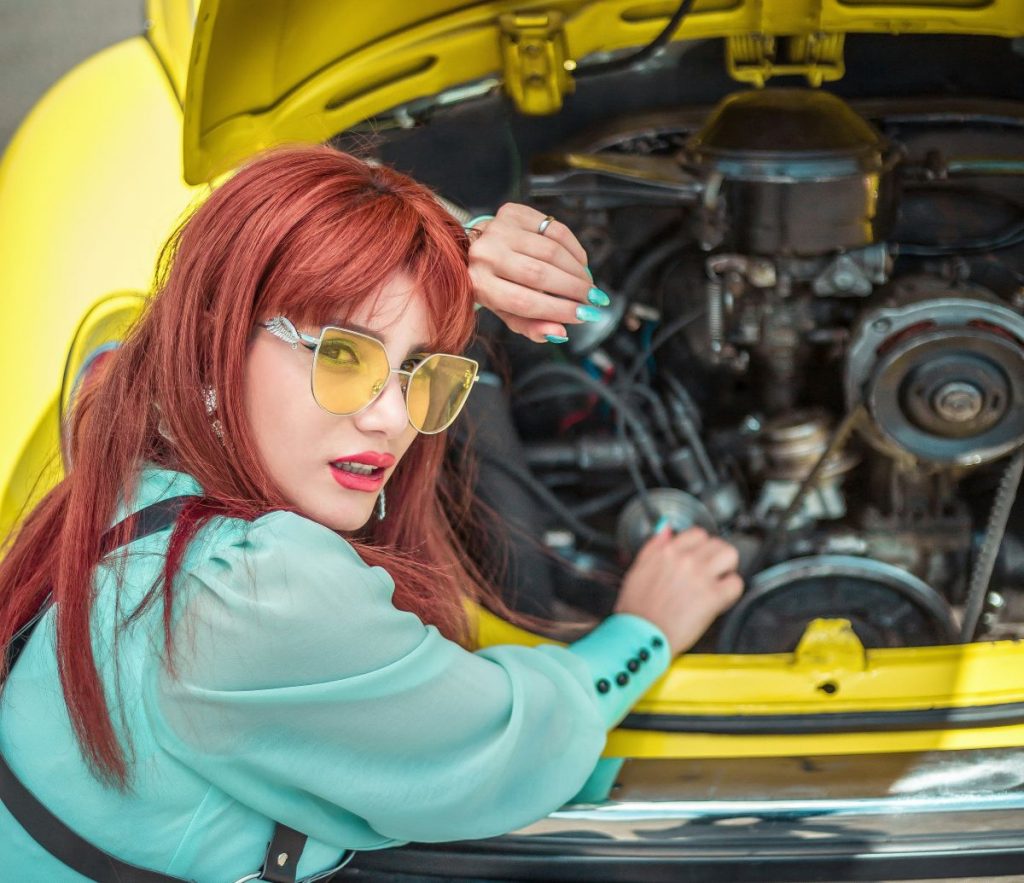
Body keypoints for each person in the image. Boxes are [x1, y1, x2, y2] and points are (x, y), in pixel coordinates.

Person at [0, 145, 742, 881]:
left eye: (422, 370)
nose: (393, 418)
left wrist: (454, 251)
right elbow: (507, 746)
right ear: (213, 342)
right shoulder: (253, 592)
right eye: (342, 356)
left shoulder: (127, 443)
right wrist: (644, 629)